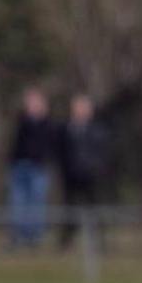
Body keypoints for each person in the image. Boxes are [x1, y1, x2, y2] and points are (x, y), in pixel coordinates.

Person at [58, 93, 109, 249]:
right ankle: (67, 242)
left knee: (93, 208)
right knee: (70, 209)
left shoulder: (97, 130)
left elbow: (101, 152)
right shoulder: (66, 129)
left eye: (83, 108)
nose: (80, 111)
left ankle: (98, 241)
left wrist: (96, 168)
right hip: (71, 175)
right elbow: (60, 151)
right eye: (77, 108)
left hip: (90, 176)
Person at [8, 87, 56, 249]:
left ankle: (33, 238)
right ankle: (18, 237)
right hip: (20, 166)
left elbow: (48, 143)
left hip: (38, 168)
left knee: (36, 204)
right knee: (18, 203)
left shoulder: (47, 123)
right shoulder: (22, 121)